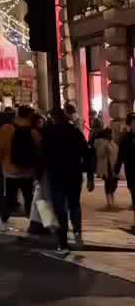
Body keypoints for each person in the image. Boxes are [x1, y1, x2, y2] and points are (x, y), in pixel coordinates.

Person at [41, 106, 94, 250]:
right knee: (74, 205)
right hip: (73, 175)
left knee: (60, 208)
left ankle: (62, 239)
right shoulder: (75, 132)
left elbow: (42, 157)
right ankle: (77, 232)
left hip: (56, 176)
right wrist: (90, 176)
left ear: (53, 118)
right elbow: (86, 154)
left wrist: (38, 176)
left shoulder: (48, 134)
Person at [0, 105, 38, 224]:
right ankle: (31, 218)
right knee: (29, 196)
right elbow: (40, 150)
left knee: (10, 196)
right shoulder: (34, 131)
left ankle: (4, 216)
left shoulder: (6, 129)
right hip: (28, 170)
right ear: (30, 116)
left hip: (10, 170)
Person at [95, 118, 120, 207]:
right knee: (108, 183)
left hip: (113, 167)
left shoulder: (114, 144)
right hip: (106, 167)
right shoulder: (102, 143)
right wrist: (105, 148)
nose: (112, 135)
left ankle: (111, 196)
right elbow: (99, 154)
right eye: (111, 133)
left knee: (114, 183)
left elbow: (116, 154)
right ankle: (109, 200)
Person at [119, 113, 135, 230]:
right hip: (131, 170)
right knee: (134, 195)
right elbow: (121, 155)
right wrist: (116, 168)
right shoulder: (126, 138)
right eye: (133, 124)